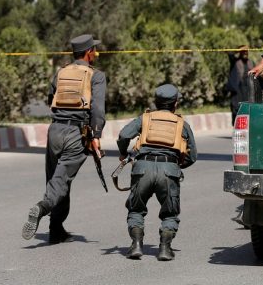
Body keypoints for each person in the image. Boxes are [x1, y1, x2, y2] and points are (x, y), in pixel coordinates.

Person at [22, 34, 106, 244]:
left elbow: (51, 98)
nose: (96, 53)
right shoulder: (95, 75)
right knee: (61, 181)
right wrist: (96, 135)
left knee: (57, 179)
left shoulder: (61, 72)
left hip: (55, 131)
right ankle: (42, 207)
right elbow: (97, 108)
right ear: (88, 53)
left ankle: (56, 229)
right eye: (94, 50)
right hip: (76, 134)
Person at [116, 84, 197, 260]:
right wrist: (174, 167)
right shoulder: (182, 124)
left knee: (136, 209)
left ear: (155, 102)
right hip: (169, 171)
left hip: (142, 169)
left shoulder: (144, 119)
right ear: (175, 103)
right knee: (170, 212)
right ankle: (165, 249)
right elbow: (192, 156)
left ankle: (136, 245)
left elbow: (123, 135)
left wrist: (123, 153)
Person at [226, 45, 254, 125]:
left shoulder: (251, 62)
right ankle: (236, 129)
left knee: (248, 111)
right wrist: (237, 50)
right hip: (238, 91)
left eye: (246, 51)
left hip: (248, 91)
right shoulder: (234, 61)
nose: (245, 53)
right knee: (236, 110)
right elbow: (229, 52)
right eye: (243, 51)